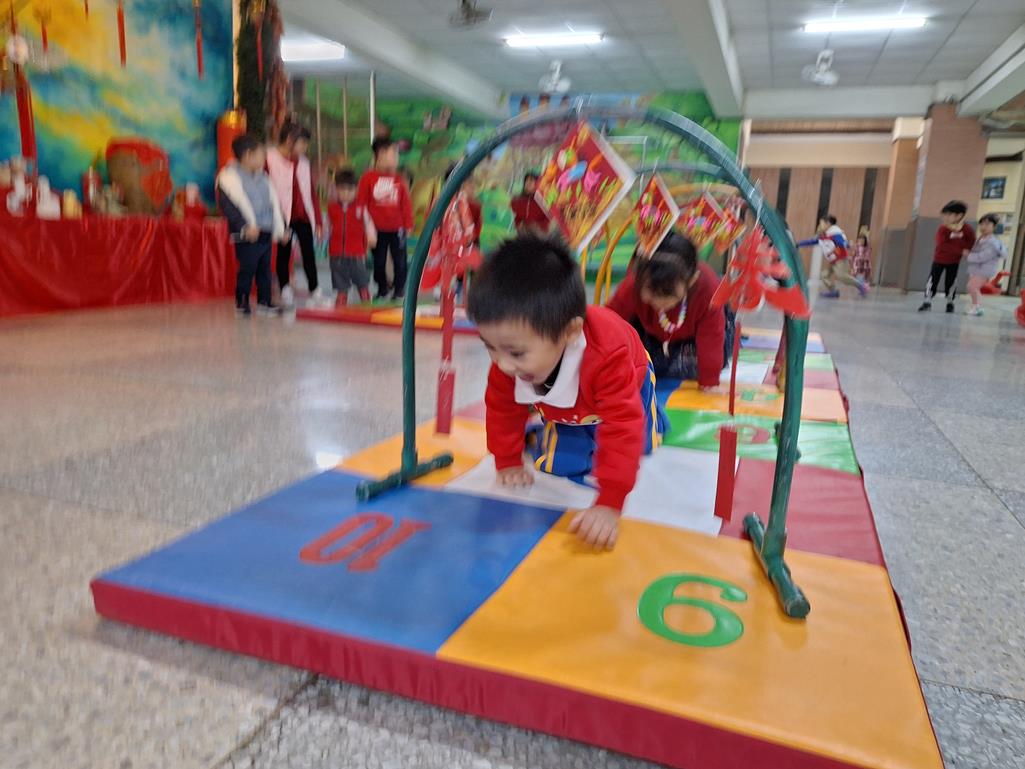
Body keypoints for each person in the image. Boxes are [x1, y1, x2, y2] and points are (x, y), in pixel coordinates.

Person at [467, 235, 667, 550]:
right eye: (489, 347)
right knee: (557, 464)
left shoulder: (608, 355)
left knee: (638, 444)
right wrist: (507, 459)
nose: (502, 363)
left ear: (571, 332)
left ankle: (656, 417)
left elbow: (622, 424)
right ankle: (550, 428)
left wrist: (610, 502)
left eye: (516, 353)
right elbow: (502, 407)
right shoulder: (509, 359)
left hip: (631, 379)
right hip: (567, 407)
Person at [607, 232, 731, 390]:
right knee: (635, 363)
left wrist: (709, 381)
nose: (658, 301)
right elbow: (608, 321)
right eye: (651, 292)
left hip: (692, 339)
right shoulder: (633, 285)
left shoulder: (707, 289)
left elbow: (712, 336)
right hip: (650, 335)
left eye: (667, 294)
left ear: (691, 280)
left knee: (698, 363)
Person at [216, 135, 288, 317]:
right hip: (247, 234)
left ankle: (265, 302)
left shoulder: (264, 178)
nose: (264, 159)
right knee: (247, 269)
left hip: (265, 231)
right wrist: (244, 227)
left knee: (265, 269)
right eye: (261, 155)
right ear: (248, 155)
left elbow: (274, 204)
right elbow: (229, 208)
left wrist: (281, 229)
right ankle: (242, 302)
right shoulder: (228, 178)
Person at [266, 124, 324, 307]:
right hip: (282, 214)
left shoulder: (304, 163)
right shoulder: (270, 158)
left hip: (302, 215)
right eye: (302, 143)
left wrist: (318, 221)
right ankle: (284, 288)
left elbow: (312, 193)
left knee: (309, 254)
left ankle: (315, 289)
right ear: (290, 140)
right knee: (283, 253)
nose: (305, 148)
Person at [358, 138, 414, 300]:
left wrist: (408, 225)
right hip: (377, 230)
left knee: (400, 260)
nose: (396, 159)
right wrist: (367, 229)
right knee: (379, 262)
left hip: (398, 229)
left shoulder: (398, 179)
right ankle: (382, 289)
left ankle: (399, 290)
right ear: (381, 154)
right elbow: (361, 204)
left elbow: (405, 204)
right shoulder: (367, 178)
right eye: (393, 154)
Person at [326, 170, 377, 307]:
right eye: (342, 189)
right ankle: (342, 295)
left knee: (360, 274)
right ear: (337, 189)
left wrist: (371, 236)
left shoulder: (361, 208)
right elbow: (327, 226)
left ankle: (364, 293)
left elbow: (368, 223)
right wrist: (322, 235)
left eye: (350, 190)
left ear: (356, 190)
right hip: (336, 251)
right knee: (338, 274)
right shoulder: (332, 208)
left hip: (356, 251)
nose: (346, 193)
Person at [919, 200, 975, 313]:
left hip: (954, 262)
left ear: (959, 215)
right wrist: (960, 250)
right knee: (933, 280)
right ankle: (927, 300)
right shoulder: (944, 228)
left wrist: (967, 249)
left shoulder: (967, 229)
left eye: (950, 214)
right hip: (939, 260)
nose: (947, 217)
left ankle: (950, 302)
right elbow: (942, 244)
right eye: (946, 215)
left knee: (951, 282)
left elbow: (971, 241)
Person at [798, 215, 868, 298]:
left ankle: (861, 285)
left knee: (842, 276)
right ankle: (833, 291)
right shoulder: (824, 235)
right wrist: (798, 244)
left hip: (840, 259)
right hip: (833, 260)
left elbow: (842, 242)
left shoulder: (835, 233)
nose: (820, 225)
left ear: (828, 223)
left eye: (821, 223)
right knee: (824, 275)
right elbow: (812, 241)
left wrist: (848, 244)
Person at [964, 214, 1007, 317]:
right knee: (974, 288)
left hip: (985, 269)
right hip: (977, 268)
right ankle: (977, 307)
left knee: (971, 286)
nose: (983, 226)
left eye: (987, 224)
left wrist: (968, 255)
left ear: (994, 227)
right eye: (982, 224)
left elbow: (983, 257)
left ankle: (976, 307)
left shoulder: (992, 243)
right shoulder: (981, 239)